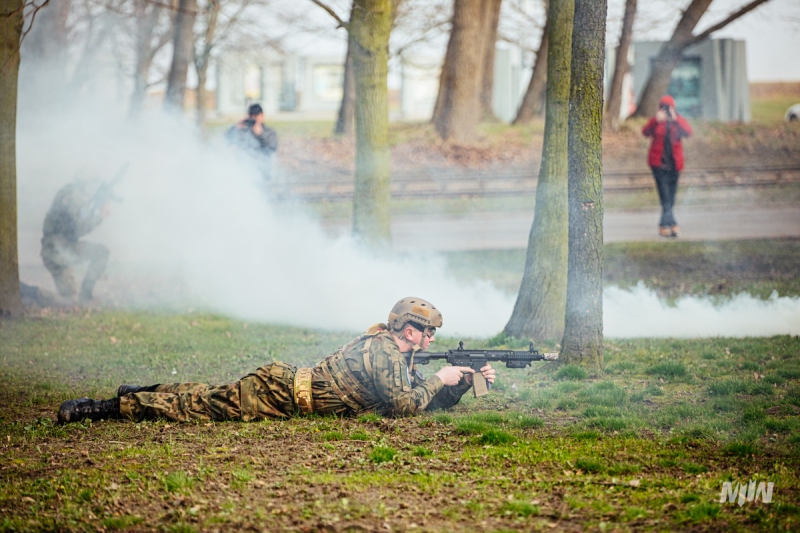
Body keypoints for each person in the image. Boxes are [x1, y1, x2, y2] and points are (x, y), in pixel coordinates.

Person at [57, 297, 497, 424]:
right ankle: (100, 409)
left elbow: (415, 400)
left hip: (285, 388)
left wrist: (455, 385)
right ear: (408, 331)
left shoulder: (394, 353)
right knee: (194, 407)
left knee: (204, 394)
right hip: (279, 395)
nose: (431, 338)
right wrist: (441, 378)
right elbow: (404, 405)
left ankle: (136, 391)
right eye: (427, 331)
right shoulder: (383, 350)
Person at [41, 175, 111, 303]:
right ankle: (35, 295)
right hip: (57, 253)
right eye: (91, 185)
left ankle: (86, 295)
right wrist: (100, 216)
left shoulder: (70, 194)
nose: (92, 190)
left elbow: (76, 223)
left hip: (63, 248)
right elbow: (79, 228)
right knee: (70, 301)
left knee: (102, 252)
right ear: (85, 184)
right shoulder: (74, 197)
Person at [642, 95, 693, 238]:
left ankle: (664, 225)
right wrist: (655, 120)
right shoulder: (657, 121)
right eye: (663, 107)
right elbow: (645, 132)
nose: (666, 110)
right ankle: (671, 225)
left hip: (674, 165)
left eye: (668, 107)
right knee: (665, 196)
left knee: (671, 197)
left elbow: (688, 132)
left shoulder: (678, 121)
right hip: (658, 165)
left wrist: (676, 119)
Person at [225, 103, 278, 180]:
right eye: (251, 116)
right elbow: (227, 140)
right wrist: (235, 127)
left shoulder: (269, 132)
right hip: (243, 172)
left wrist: (260, 135)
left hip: (262, 174)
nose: (254, 119)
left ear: (262, 116)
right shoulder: (242, 131)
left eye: (256, 116)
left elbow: (272, 148)